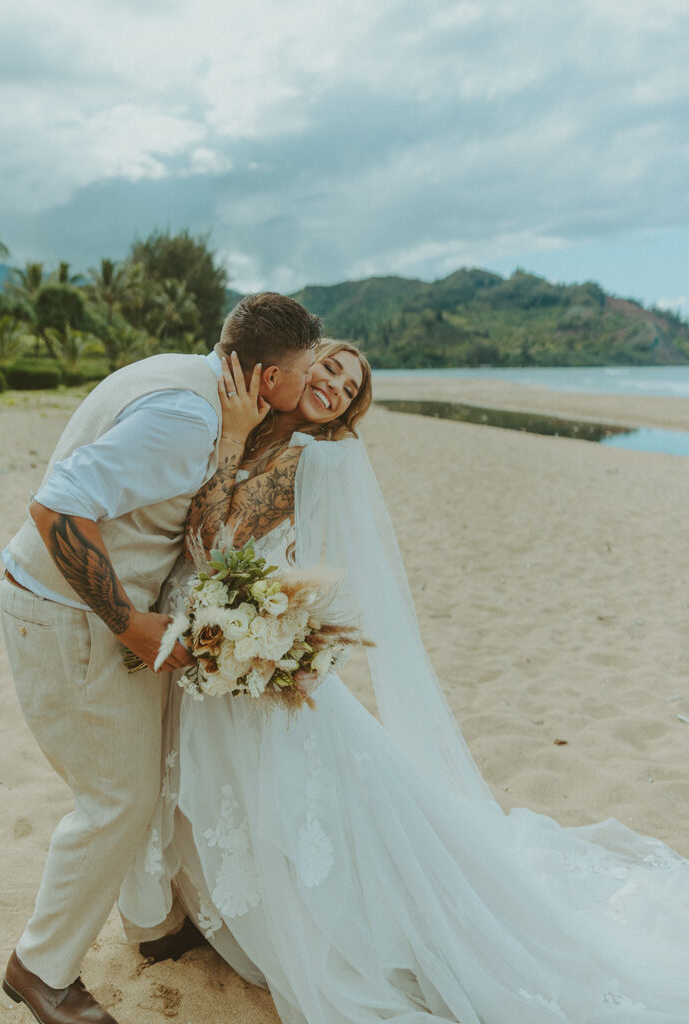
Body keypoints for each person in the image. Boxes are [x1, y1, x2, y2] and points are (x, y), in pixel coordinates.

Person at [122, 340, 689, 1024]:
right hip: (224, 644)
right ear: (299, 369)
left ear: (348, 411)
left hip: (239, 650)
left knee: (295, 810)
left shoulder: (304, 456)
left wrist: (236, 437)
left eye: (349, 386)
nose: (333, 384)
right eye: (328, 367)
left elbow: (214, 541)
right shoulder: (268, 439)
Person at [0, 292, 322, 1024]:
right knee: (118, 799)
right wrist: (128, 624)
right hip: (70, 616)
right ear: (270, 380)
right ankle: (39, 969)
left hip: (70, 608)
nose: (309, 389)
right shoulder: (189, 417)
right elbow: (54, 507)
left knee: (132, 780)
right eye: (303, 375)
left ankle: (154, 927)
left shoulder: (185, 376)